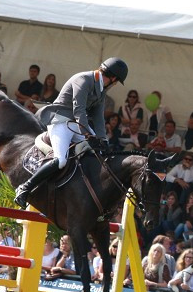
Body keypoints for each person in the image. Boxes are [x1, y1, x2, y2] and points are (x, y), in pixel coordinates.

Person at [14, 58, 128, 207]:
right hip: (60, 121)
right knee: (61, 160)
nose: (114, 84)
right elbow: (79, 110)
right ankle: (25, 188)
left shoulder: (101, 89)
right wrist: (88, 134)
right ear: (113, 78)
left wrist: (103, 140)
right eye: (116, 82)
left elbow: (98, 117)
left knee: (97, 154)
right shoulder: (84, 79)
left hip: (75, 124)